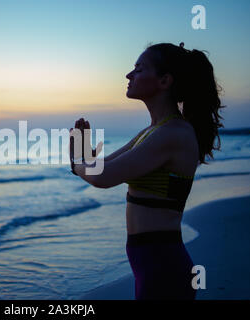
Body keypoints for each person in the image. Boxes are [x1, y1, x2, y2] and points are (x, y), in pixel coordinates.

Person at [69, 42, 226, 300]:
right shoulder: (154, 130)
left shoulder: (172, 134)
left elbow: (103, 177)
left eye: (139, 69)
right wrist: (84, 157)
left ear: (164, 81)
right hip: (153, 264)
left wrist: (77, 161)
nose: (129, 76)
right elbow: (104, 167)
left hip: (163, 268)